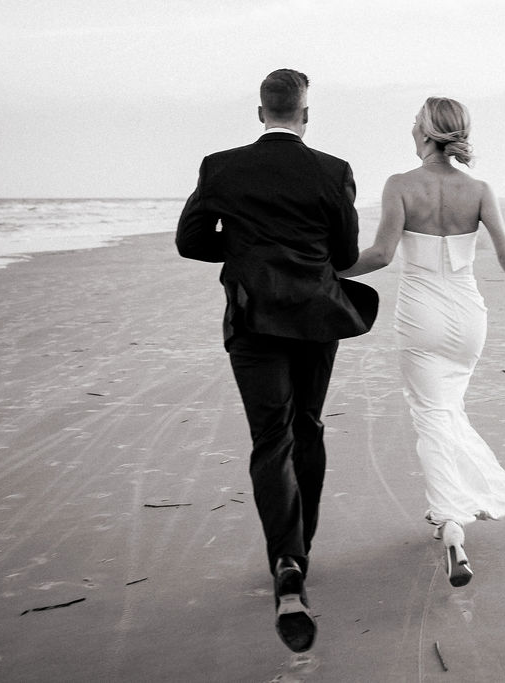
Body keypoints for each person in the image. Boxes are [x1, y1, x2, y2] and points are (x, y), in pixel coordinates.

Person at [176, 68, 378, 652]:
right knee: (307, 427)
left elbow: (190, 241)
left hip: (253, 317)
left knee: (271, 438)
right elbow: (343, 253)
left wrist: (246, 250)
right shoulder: (333, 171)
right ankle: (301, 553)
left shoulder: (220, 166)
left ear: (260, 111)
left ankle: (285, 560)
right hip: (316, 318)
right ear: (305, 112)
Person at [338, 97, 505, 587]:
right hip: (468, 317)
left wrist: (327, 270)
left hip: (420, 316)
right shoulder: (480, 189)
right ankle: (450, 507)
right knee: (446, 409)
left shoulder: (400, 185)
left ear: (422, 131)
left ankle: (449, 522)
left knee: (431, 415)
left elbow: (379, 255)